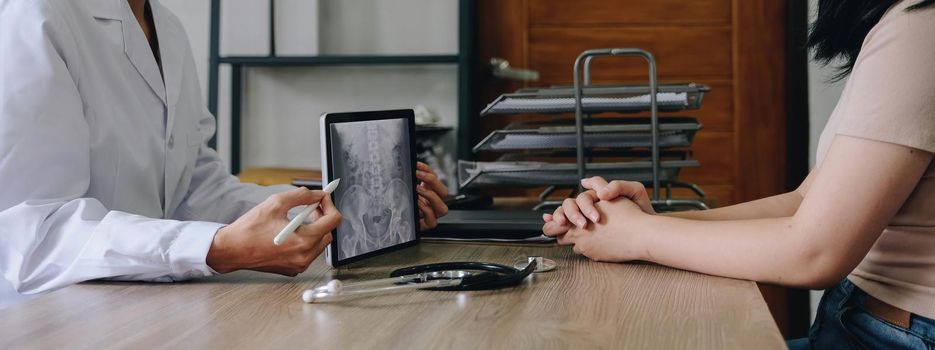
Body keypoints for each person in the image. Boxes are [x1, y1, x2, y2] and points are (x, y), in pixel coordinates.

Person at [0, 0, 448, 308]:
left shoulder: (166, 28)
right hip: (51, 317)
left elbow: (193, 185)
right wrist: (216, 249)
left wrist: (338, 208)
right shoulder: (34, 16)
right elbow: (32, 236)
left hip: (146, 303)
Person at [543, 0, 935, 348]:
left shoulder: (919, 29)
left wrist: (638, 236)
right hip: (867, 324)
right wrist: (641, 223)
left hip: (891, 335)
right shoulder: (903, 23)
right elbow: (804, 202)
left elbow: (816, 253)